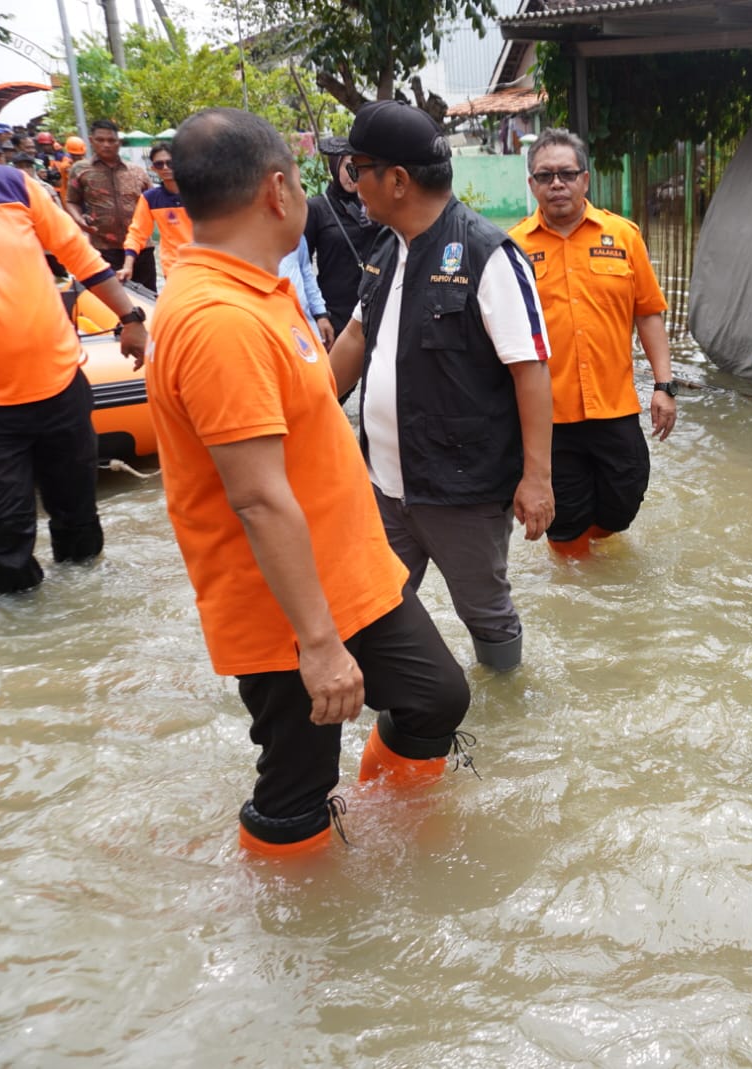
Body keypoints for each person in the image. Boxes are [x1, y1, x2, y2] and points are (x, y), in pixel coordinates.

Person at [147, 108, 474, 858]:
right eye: (305, 178)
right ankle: (296, 930)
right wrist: (320, 645)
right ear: (277, 190)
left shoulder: (263, 291)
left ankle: (395, 823)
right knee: (298, 779)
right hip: (284, 604)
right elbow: (257, 496)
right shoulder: (216, 319)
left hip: (349, 571)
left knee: (436, 696)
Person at [328, 101, 555, 672]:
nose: (350, 183)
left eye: (358, 168)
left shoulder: (487, 255)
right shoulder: (386, 247)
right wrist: (305, 414)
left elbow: (530, 369)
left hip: (462, 489)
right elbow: (356, 338)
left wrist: (537, 479)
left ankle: (507, 705)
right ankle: (404, 706)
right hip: (384, 484)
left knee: (484, 610)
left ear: (397, 180)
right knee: (376, 601)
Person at [0, 145, 149, 593]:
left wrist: (130, 319)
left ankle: (86, 618)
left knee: (78, 516)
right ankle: (23, 639)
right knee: (6, 533)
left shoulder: (10, 186)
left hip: (59, 385)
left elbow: (78, 255)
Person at [509, 128, 676, 557]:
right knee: (565, 523)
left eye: (567, 173)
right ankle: (576, 588)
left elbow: (648, 312)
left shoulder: (623, 237)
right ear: (532, 185)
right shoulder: (511, 249)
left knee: (625, 499)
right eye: (545, 176)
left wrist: (664, 385)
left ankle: (597, 561)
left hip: (614, 404)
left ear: (585, 179)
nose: (557, 184)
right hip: (549, 415)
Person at [303, 136, 382, 338]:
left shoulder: (376, 205)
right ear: (335, 167)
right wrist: (319, 315)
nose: (352, 175)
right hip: (335, 315)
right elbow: (302, 266)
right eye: (347, 167)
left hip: (375, 308)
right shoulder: (317, 208)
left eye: (357, 167)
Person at [66, 119, 155, 290]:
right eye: (100, 140)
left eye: (111, 140)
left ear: (119, 142)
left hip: (141, 248)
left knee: (149, 296)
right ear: (92, 141)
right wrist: (79, 220)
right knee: (116, 298)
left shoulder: (136, 171)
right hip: (105, 248)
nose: (106, 145)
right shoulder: (80, 170)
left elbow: (153, 202)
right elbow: (71, 201)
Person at [121, 141, 192, 289]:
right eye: (159, 164)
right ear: (153, 168)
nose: (165, 168)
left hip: (206, 265)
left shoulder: (203, 193)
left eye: (170, 163)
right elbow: (137, 233)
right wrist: (128, 265)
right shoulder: (150, 199)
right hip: (174, 267)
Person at [278, 232, 332, 345]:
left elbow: (306, 273)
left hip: (303, 324)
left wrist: (321, 314)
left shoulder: (295, 234)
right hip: (272, 326)